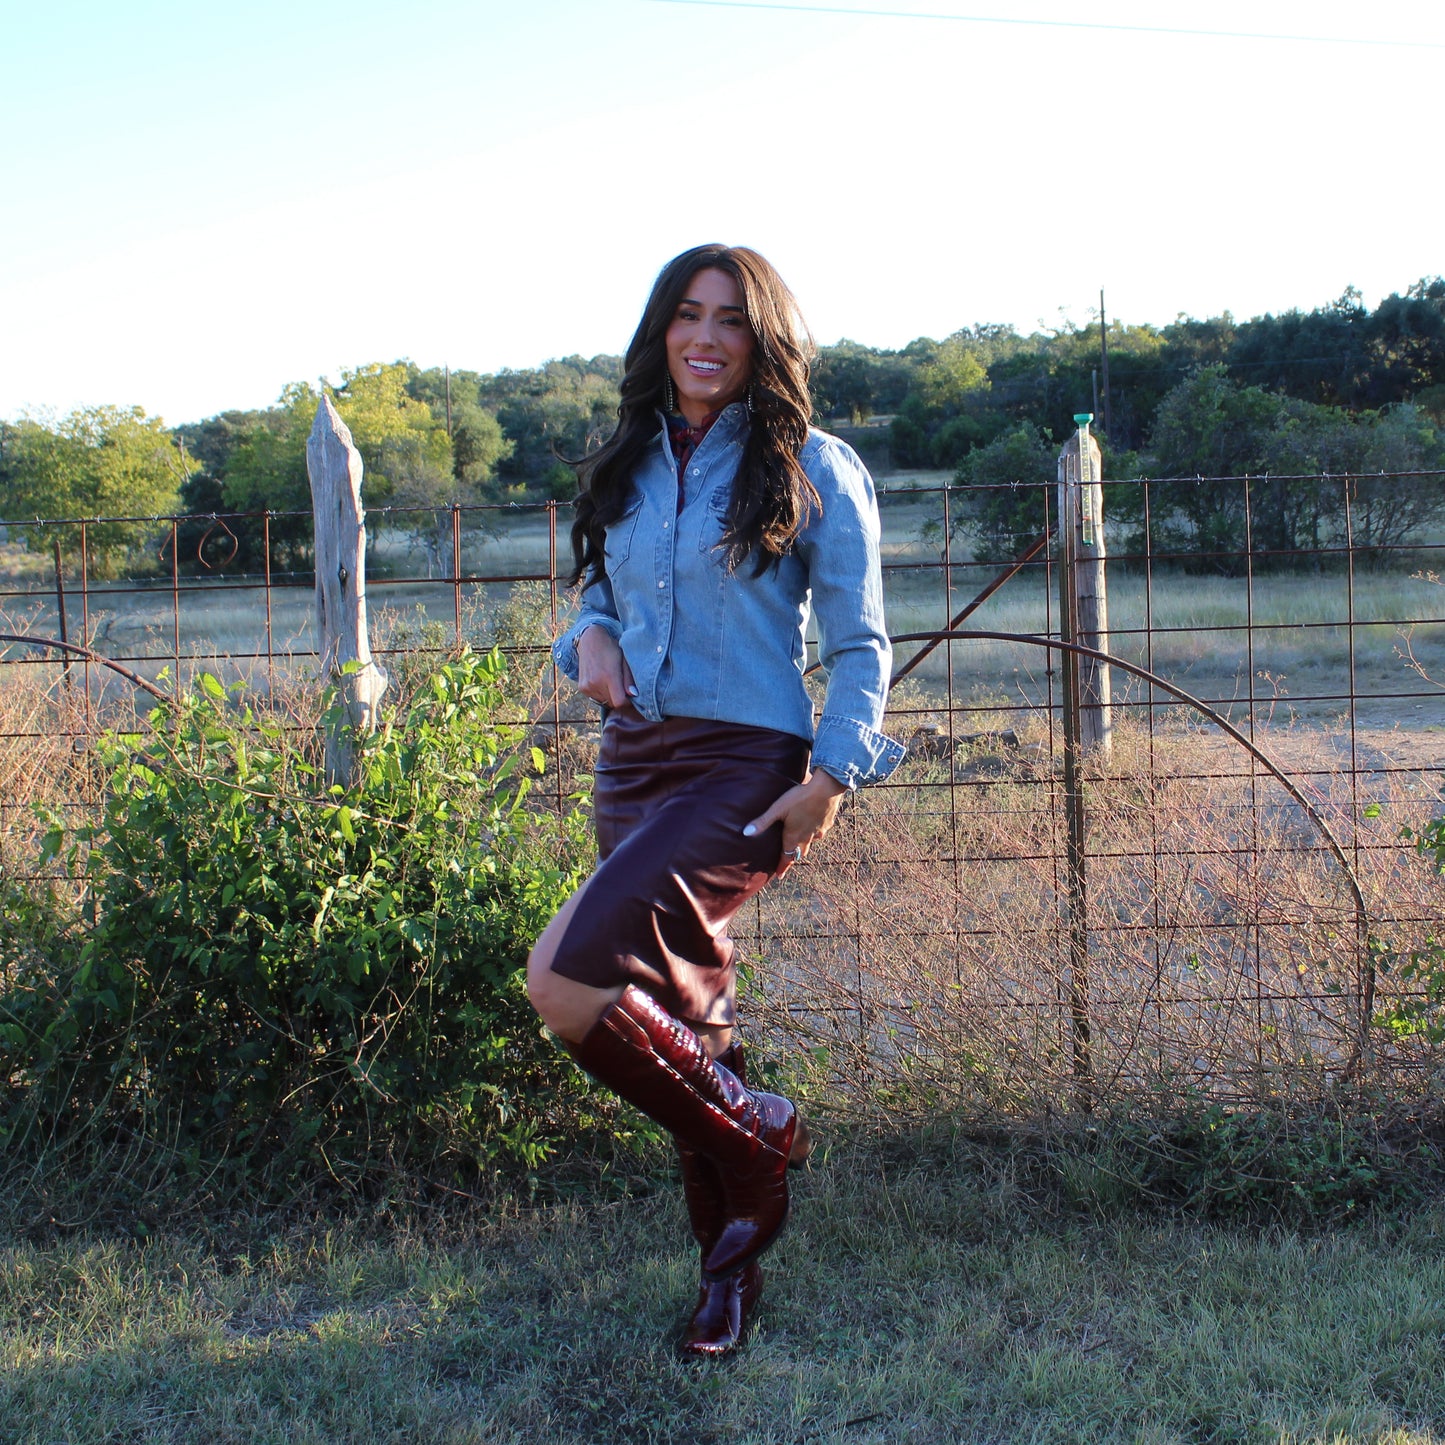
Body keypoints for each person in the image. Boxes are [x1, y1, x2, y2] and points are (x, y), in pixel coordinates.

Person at [527, 243, 903, 1355]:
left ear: (762, 338)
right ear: (660, 334)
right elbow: (595, 599)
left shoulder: (814, 465)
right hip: (632, 761)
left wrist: (831, 776)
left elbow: (858, 639)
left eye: (730, 320)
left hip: (745, 764)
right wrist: (584, 637)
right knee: (686, 1014)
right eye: (686, 316)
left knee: (564, 978)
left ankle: (757, 1134)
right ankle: (728, 1272)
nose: (704, 337)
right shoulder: (627, 459)